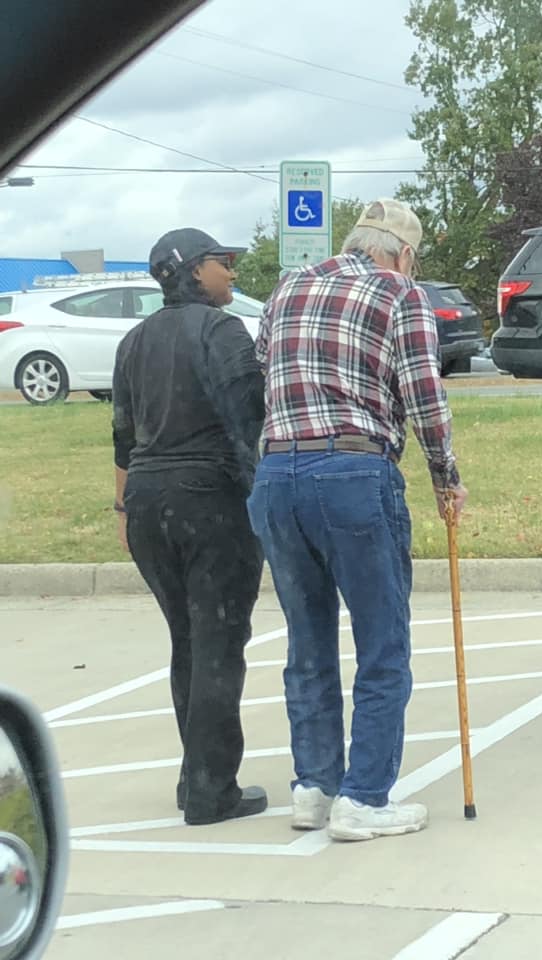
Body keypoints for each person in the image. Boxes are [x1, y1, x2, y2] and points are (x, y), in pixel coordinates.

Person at [247, 199, 468, 842]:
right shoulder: (401, 293)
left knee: (307, 641)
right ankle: (365, 797)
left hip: (276, 476)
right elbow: (424, 394)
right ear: (401, 254)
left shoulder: (288, 286)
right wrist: (444, 476)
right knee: (382, 642)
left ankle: (314, 786)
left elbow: (266, 368)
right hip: (353, 471)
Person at [112, 228, 268, 826]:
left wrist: (124, 510)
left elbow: (123, 436)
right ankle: (212, 790)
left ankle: (194, 774)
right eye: (221, 262)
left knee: (188, 639)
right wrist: (261, 500)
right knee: (220, 642)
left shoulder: (133, 341)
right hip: (209, 498)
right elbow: (245, 420)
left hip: (148, 502)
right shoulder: (222, 331)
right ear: (192, 273)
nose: (231, 272)